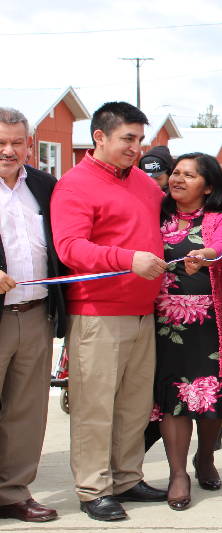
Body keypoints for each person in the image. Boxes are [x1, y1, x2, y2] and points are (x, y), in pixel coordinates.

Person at [50, 101, 169, 521]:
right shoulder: (74, 184)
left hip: (143, 310)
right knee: (95, 407)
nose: (136, 148)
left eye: (139, 140)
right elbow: (70, 247)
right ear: (99, 137)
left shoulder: (142, 183)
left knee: (134, 405)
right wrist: (127, 259)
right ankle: (93, 488)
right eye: (127, 139)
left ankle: (125, 477)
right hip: (98, 313)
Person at [153, 153, 222, 510]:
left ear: (208, 186)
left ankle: (205, 458)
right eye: (175, 173)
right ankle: (178, 473)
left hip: (212, 325)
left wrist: (207, 253)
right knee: (173, 400)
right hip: (164, 325)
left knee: (211, 398)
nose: (177, 179)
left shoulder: (221, 217)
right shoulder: (157, 216)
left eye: (189, 175)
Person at [0, 108, 66, 523]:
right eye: (0, 143)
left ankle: (12, 492)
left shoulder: (44, 185)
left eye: (16, 142)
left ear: (29, 143)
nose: (8, 151)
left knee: (26, 411)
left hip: (36, 313)